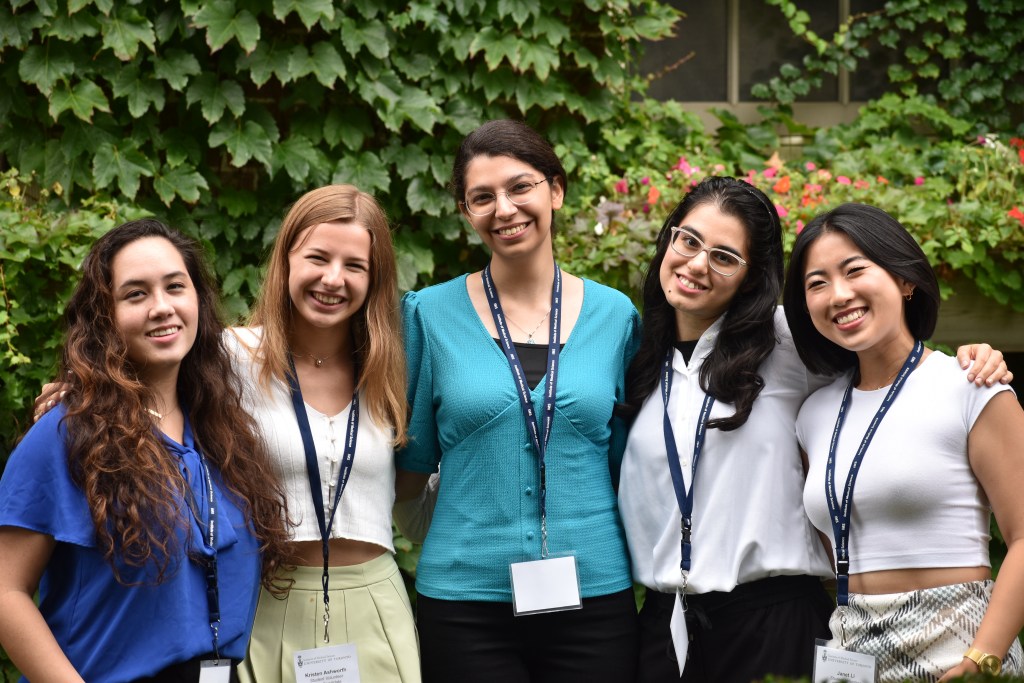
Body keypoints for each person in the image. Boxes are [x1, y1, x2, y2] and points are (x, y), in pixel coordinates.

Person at [617, 178, 1012, 683]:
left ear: (751, 276)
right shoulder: (633, 354)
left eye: (724, 256)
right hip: (666, 622)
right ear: (669, 239)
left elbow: (889, 369)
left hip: (771, 621)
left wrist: (974, 361)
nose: (697, 263)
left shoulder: (787, 341)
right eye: (688, 240)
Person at [394, 119, 641, 683]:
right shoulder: (429, 315)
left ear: (555, 191)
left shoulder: (616, 317)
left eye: (520, 187)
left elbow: (628, 463)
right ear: (466, 212)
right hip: (464, 604)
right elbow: (411, 468)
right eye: (482, 197)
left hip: (593, 594)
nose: (503, 208)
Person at [0, 219, 291, 682]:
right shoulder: (67, 433)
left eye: (175, 287)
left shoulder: (223, 431)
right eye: (135, 294)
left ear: (198, 299)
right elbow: (6, 591)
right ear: (104, 316)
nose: (162, 307)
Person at [783, 203, 1024, 682]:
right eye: (817, 283)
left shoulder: (972, 386)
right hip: (850, 650)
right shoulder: (813, 414)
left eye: (855, 270)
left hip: (958, 648)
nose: (839, 294)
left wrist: (983, 657)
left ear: (905, 279)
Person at [231, 185, 419, 683]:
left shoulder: (393, 371)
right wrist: (75, 394)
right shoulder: (230, 358)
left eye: (355, 266)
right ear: (286, 260)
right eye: (317, 258)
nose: (333, 279)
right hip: (268, 602)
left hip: (375, 606)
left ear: (374, 279)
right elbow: (145, 391)